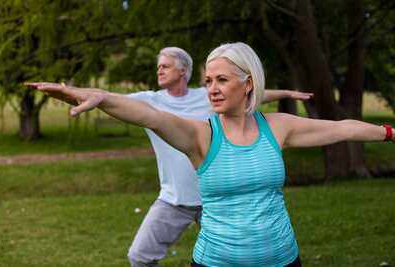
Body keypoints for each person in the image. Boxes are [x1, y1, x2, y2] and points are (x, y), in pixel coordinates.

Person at [27, 42, 393, 267]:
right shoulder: (199, 134)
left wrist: (389, 132)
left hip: (282, 258)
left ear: (247, 83)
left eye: (221, 80)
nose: (213, 90)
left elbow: (343, 128)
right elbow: (148, 115)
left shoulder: (278, 127)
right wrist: (101, 97)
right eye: (208, 82)